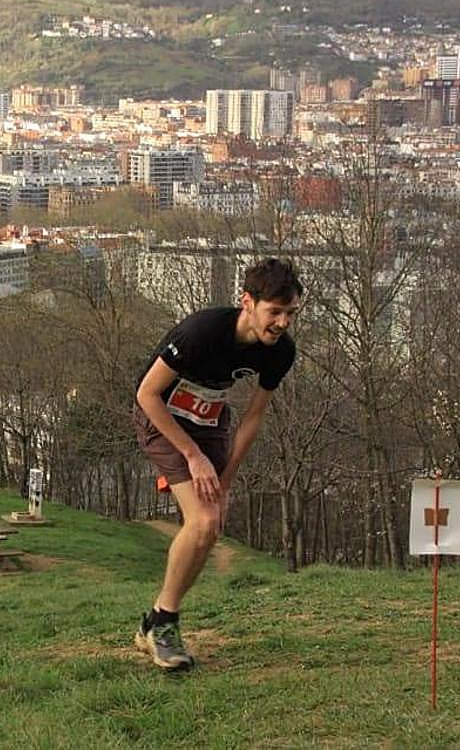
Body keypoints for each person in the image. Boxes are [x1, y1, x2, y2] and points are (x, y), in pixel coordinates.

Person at [133, 257, 302, 670]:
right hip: (164, 417)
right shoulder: (202, 331)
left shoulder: (280, 352)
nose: (281, 323)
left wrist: (225, 478)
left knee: (210, 526)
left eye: (290, 314)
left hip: (209, 425)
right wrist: (192, 456)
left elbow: (253, 417)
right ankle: (164, 626)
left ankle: (154, 624)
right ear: (248, 302)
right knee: (203, 521)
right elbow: (146, 395)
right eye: (274, 312)